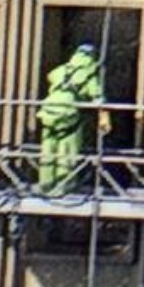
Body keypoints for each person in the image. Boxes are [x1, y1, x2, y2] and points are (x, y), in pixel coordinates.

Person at [37, 43, 111, 195]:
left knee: (48, 149)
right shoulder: (89, 73)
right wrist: (104, 118)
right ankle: (64, 186)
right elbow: (98, 98)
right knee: (67, 150)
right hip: (68, 113)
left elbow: (50, 76)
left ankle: (45, 185)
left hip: (48, 111)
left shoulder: (63, 69)